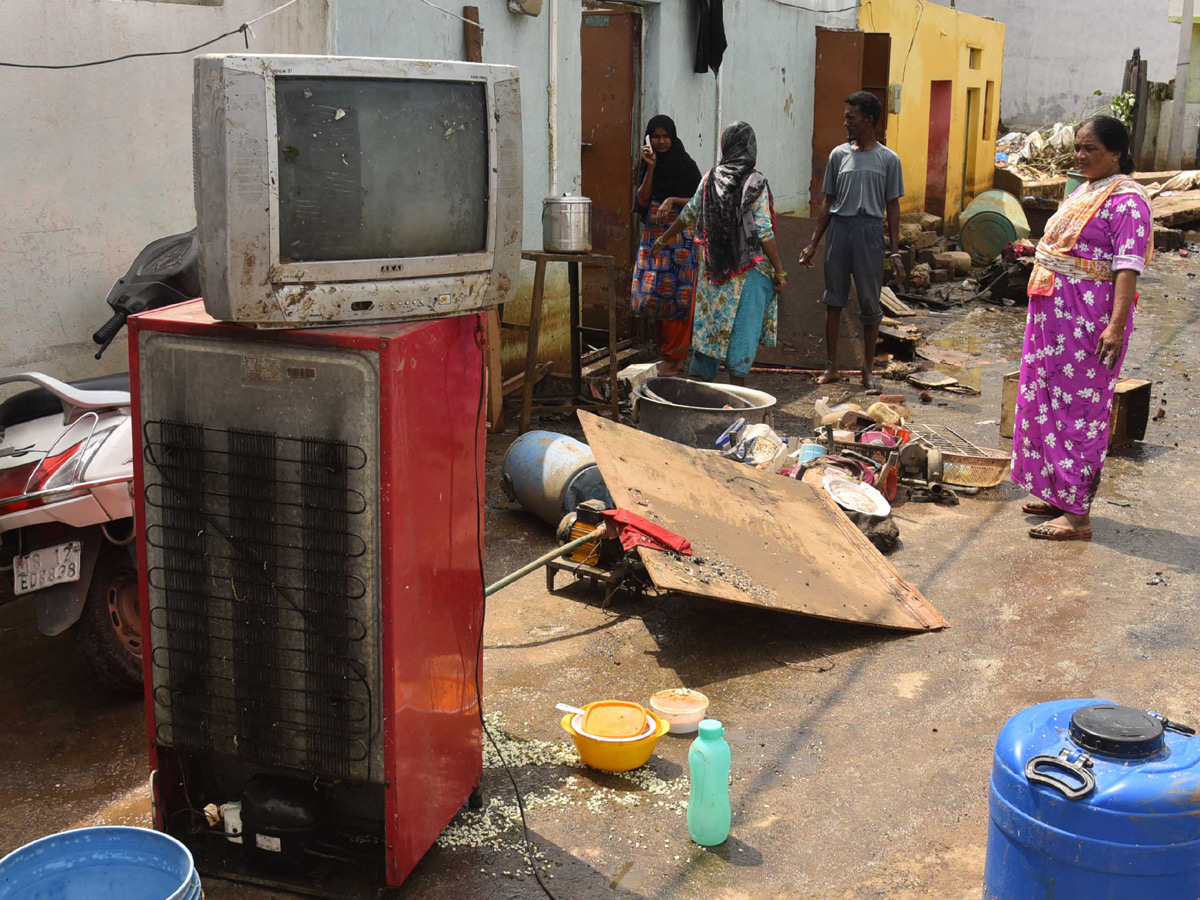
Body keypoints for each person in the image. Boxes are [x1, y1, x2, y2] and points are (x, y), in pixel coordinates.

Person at [1011, 115, 1153, 541]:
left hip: (1088, 322)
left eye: (1090, 148)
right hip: (1054, 317)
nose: (1080, 155)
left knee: (1080, 413)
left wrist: (1115, 326)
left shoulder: (1128, 201)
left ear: (1117, 153)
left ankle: (1077, 516)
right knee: (1047, 402)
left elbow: (1128, 268)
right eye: (1078, 147)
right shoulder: (1088, 190)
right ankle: (1057, 492)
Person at [652, 121, 787, 385]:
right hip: (748, 270)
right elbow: (764, 231)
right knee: (743, 329)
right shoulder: (754, 182)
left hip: (713, 269)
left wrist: (664, 239)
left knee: (710, 324)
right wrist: (779, 270)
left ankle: (705, 396)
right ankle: (737, 396)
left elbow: (689, 212)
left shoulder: (710, 177)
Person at [799, 91, 904, 393]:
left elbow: (893, 207)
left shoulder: (888, 159)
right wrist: (814, 242)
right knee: (834, 300)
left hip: (869, 233)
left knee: (870, 303)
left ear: (868, 120)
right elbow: (827, 201)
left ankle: (867, 371)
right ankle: (831, 366)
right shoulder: (837, 156)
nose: (845, 122)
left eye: (851, 117)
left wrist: (894, 251)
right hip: (839, 231)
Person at [631, 115, 703, 376]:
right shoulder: (648, 163)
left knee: (678, 298)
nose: (661, 141)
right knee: (654, 295)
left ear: (673, 137)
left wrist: (672, 200)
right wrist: (650, 167)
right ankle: (669, 354)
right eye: (656, 136)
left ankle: (674, 358)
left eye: (666, 136)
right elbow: (642, 199)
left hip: (680, 241)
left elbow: (700, 200)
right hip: (654, 238)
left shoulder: (685, 165)